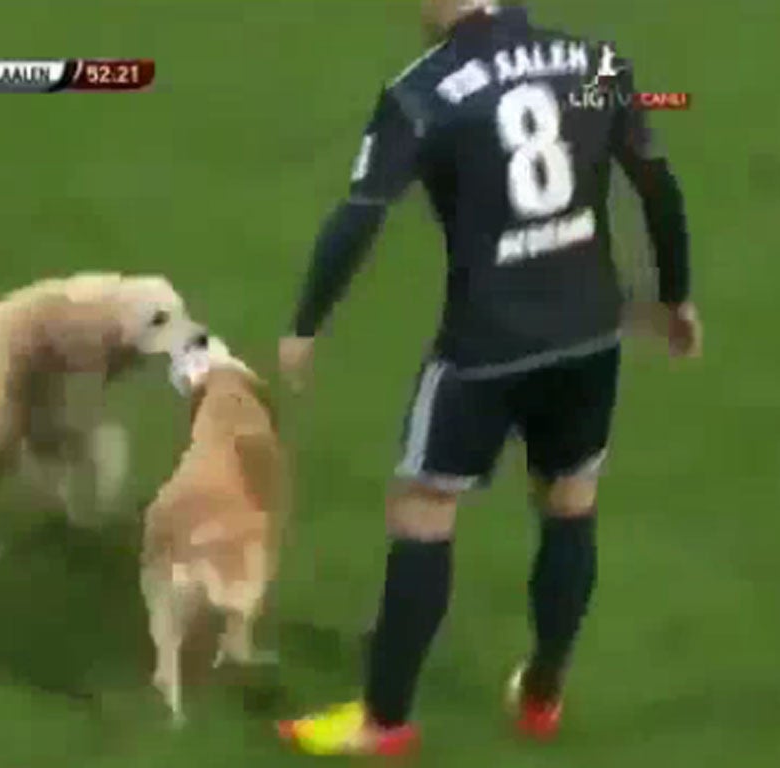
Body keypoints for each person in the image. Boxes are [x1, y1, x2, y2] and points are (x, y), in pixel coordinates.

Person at [276, 0, 701, 756]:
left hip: (486, 344)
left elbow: (362, 210)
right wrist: (675, 296)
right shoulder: (595, 62)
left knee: (423, 507)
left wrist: (306, 324)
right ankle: (542, 693)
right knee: (570, 499)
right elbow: (657, 181)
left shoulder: (424, 88)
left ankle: (384, 721)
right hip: (589, 334)